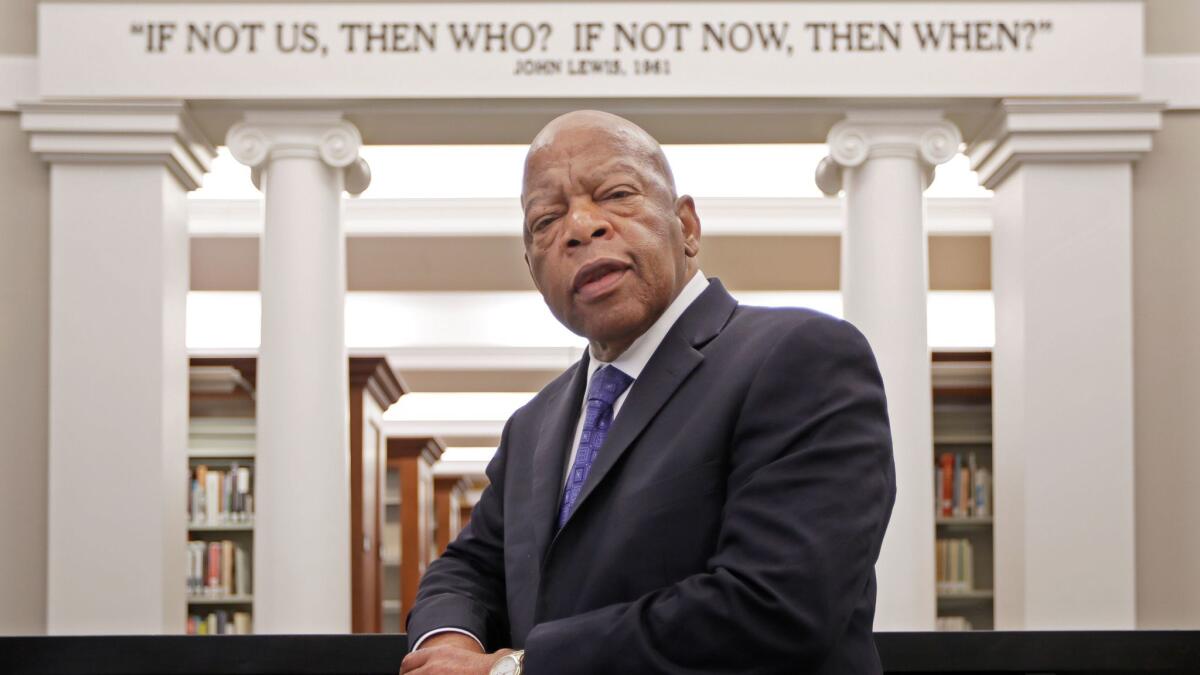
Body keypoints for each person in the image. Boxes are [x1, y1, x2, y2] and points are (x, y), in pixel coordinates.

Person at [400, 110, 896, 675]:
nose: (580, 227)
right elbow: (470, 566)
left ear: (687, 226)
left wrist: (515, 668)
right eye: (545, 220)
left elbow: (776, 607)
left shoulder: (802, 357)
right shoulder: (533, 424)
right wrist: (450, 641)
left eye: (615, 194)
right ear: (535, 272)